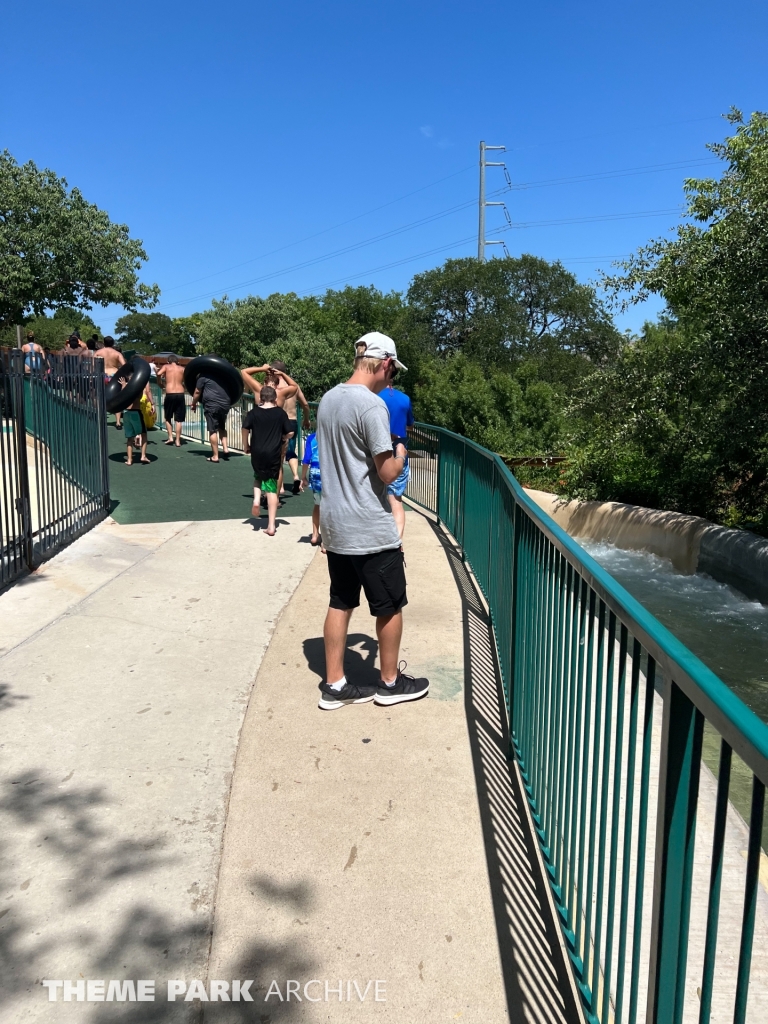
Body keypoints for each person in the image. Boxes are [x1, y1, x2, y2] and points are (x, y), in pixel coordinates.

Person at [316, 331, 429, 711]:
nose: (391, 377)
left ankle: (335, 685)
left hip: (335, 523)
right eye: (393, 370)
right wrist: (401, 451)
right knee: (390, 604)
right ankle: (390, 683)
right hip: (369, 525)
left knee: (340, 601)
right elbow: (386, 472)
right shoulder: (371, 406)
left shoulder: (329, 399)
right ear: (385, 364)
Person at [241, 385, 292, 537]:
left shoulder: (253, 413)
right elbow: (290, 431)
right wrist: (284, 438)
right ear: (275, 398)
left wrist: (246, 445)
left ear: (260, 398)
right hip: (273, 453)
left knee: (258, 476)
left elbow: (245, 428)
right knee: (271, 488)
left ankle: (256, 499)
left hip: (257, 452)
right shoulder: (280, 413)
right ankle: (271, 525)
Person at [241, 365, 300, 496]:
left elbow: (244, 372)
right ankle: (275, 495)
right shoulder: (281, 393)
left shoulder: (259, 389)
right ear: (277, 384)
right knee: (278, 466)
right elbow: (294, 386)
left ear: (264, 382)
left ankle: (264, 493)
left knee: (260, 467)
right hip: (277, 435)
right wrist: (282, 374)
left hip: (260, 436)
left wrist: (262, 368)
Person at [269, 361, 312, 495]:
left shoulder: (272, 386)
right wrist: (306, 419)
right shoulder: (293, 386)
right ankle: (296, 476)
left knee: (279, 455)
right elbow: (305, 404)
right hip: (292, 421)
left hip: (279, 422)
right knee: (291, 452)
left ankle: (280, 487)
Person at [379, 383, 414, 540]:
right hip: (398, 453)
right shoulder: (405, 399)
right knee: (396, 501)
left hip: (376, 452)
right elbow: (410, 426)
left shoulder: (373, 396)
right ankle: (397, 542)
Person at [191, 374, 231, 462]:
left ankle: (215, 456)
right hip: (225, 404)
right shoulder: (222, 376)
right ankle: (225, 448)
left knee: (212, 430)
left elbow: (197, 392)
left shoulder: (202, 377)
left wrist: (193, 403)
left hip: (212, 405)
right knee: (221, 427)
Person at [156, 354, 186, 446]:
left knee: (168, 417)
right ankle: (178, 440)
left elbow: (158, 374)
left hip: (170, 393)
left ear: (168, 361)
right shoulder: (182, 369)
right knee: (179, 420)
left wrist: (160, 383)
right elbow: (186, 379)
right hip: (180, 393)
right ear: (178, 362)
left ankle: (170, 437)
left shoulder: (166, 366)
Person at [300, 428, 323, 547]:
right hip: (328, 472)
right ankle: (326, 540)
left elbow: (306, 459)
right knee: (328, 506)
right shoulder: (332, 435)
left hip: (314, 472)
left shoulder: (312, 437)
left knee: (318, 504)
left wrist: (303, 477)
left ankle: (315, 534)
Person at [121, 382, 151, 466]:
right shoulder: (138, 386)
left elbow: (122, 397)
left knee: (130, 438)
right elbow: (138, 396)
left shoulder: (126, 387)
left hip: (126, 413)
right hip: (136, 412)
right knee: (144, 434)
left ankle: (129, 460)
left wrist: (124, 387)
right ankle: (143, 456)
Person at [100, 337, 126, 429]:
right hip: (114, 375)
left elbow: (93, 365)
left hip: (103, 375)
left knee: (101, 398)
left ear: (104, 343)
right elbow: (124, 365)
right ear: (113, 343)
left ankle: (101, 420)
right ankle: (118, 422)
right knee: (117, 399)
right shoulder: (117, 353)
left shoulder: (99, 352)